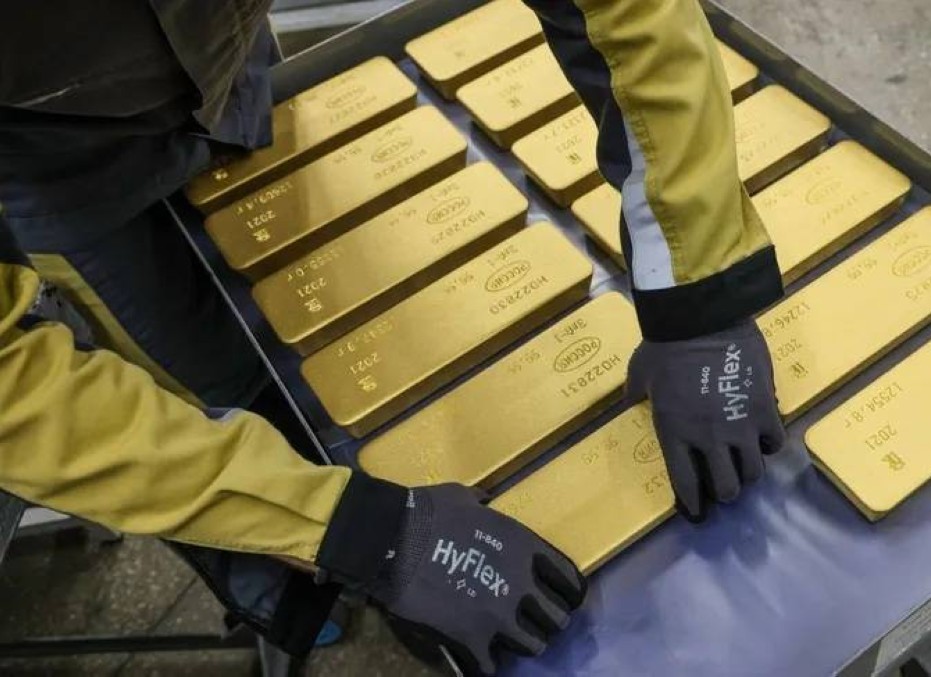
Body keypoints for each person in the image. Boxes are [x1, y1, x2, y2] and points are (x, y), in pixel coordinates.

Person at [0, 0, 786, 673]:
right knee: (219, 378)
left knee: (308, 324)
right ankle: (293, 586)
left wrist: (701, 286)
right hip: (50, 163)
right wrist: (352, 535)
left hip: (220, 65)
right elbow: (13, 391)